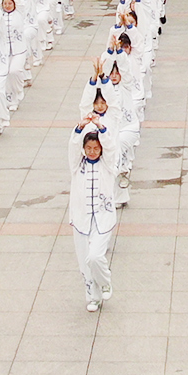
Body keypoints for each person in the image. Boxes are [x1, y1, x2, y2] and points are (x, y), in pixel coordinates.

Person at [69, 120, 119, 312]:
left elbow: (111, 148)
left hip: (102, 219)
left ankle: (105, 282)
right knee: (84, 262)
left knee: (95, 257)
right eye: (88, 148)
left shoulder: (108, 166)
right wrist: (80, 127)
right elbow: (72, 148)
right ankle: (93, 297)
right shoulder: (77, 166)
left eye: (96, 148)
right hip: (81, 220)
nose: (92, 151)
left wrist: (101, 127)